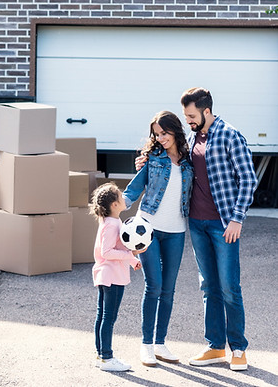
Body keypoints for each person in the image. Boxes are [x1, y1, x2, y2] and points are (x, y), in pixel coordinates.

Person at [180, 87, 257, 372]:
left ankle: (238, 348)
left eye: (191, 115)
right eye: (186, 115)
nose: (188, 119)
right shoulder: (192, 136)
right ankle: (215, 347)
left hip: (224, 225)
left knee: (229, 287)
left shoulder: (229, 135)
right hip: (196, 224)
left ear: (206, 111)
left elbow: (248, 179)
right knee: (208, 286)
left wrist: (237, 218)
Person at [124, 111, 193, 367]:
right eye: (157, 134)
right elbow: (133, 189)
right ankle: (146, 345)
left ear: (175, 130)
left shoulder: (188, 161)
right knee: (153, 286)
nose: (160, 138)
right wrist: (112, 209)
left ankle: (161, 342)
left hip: (176, 231)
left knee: (168, 289)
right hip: (147, 228)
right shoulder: (152, 158)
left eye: (164, 133)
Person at [89, 182, 142, 372]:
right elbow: (108, 252)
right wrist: (131, 256)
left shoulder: (110, 222)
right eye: (120, 196)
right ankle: (107, 357)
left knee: (102, 316)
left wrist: (132, 256)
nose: (123, 198)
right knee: (108, 318)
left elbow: (117, 248)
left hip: (107, 275)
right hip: (111, 276)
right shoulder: (112, 224)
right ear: (114, 205)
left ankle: (100, 354)